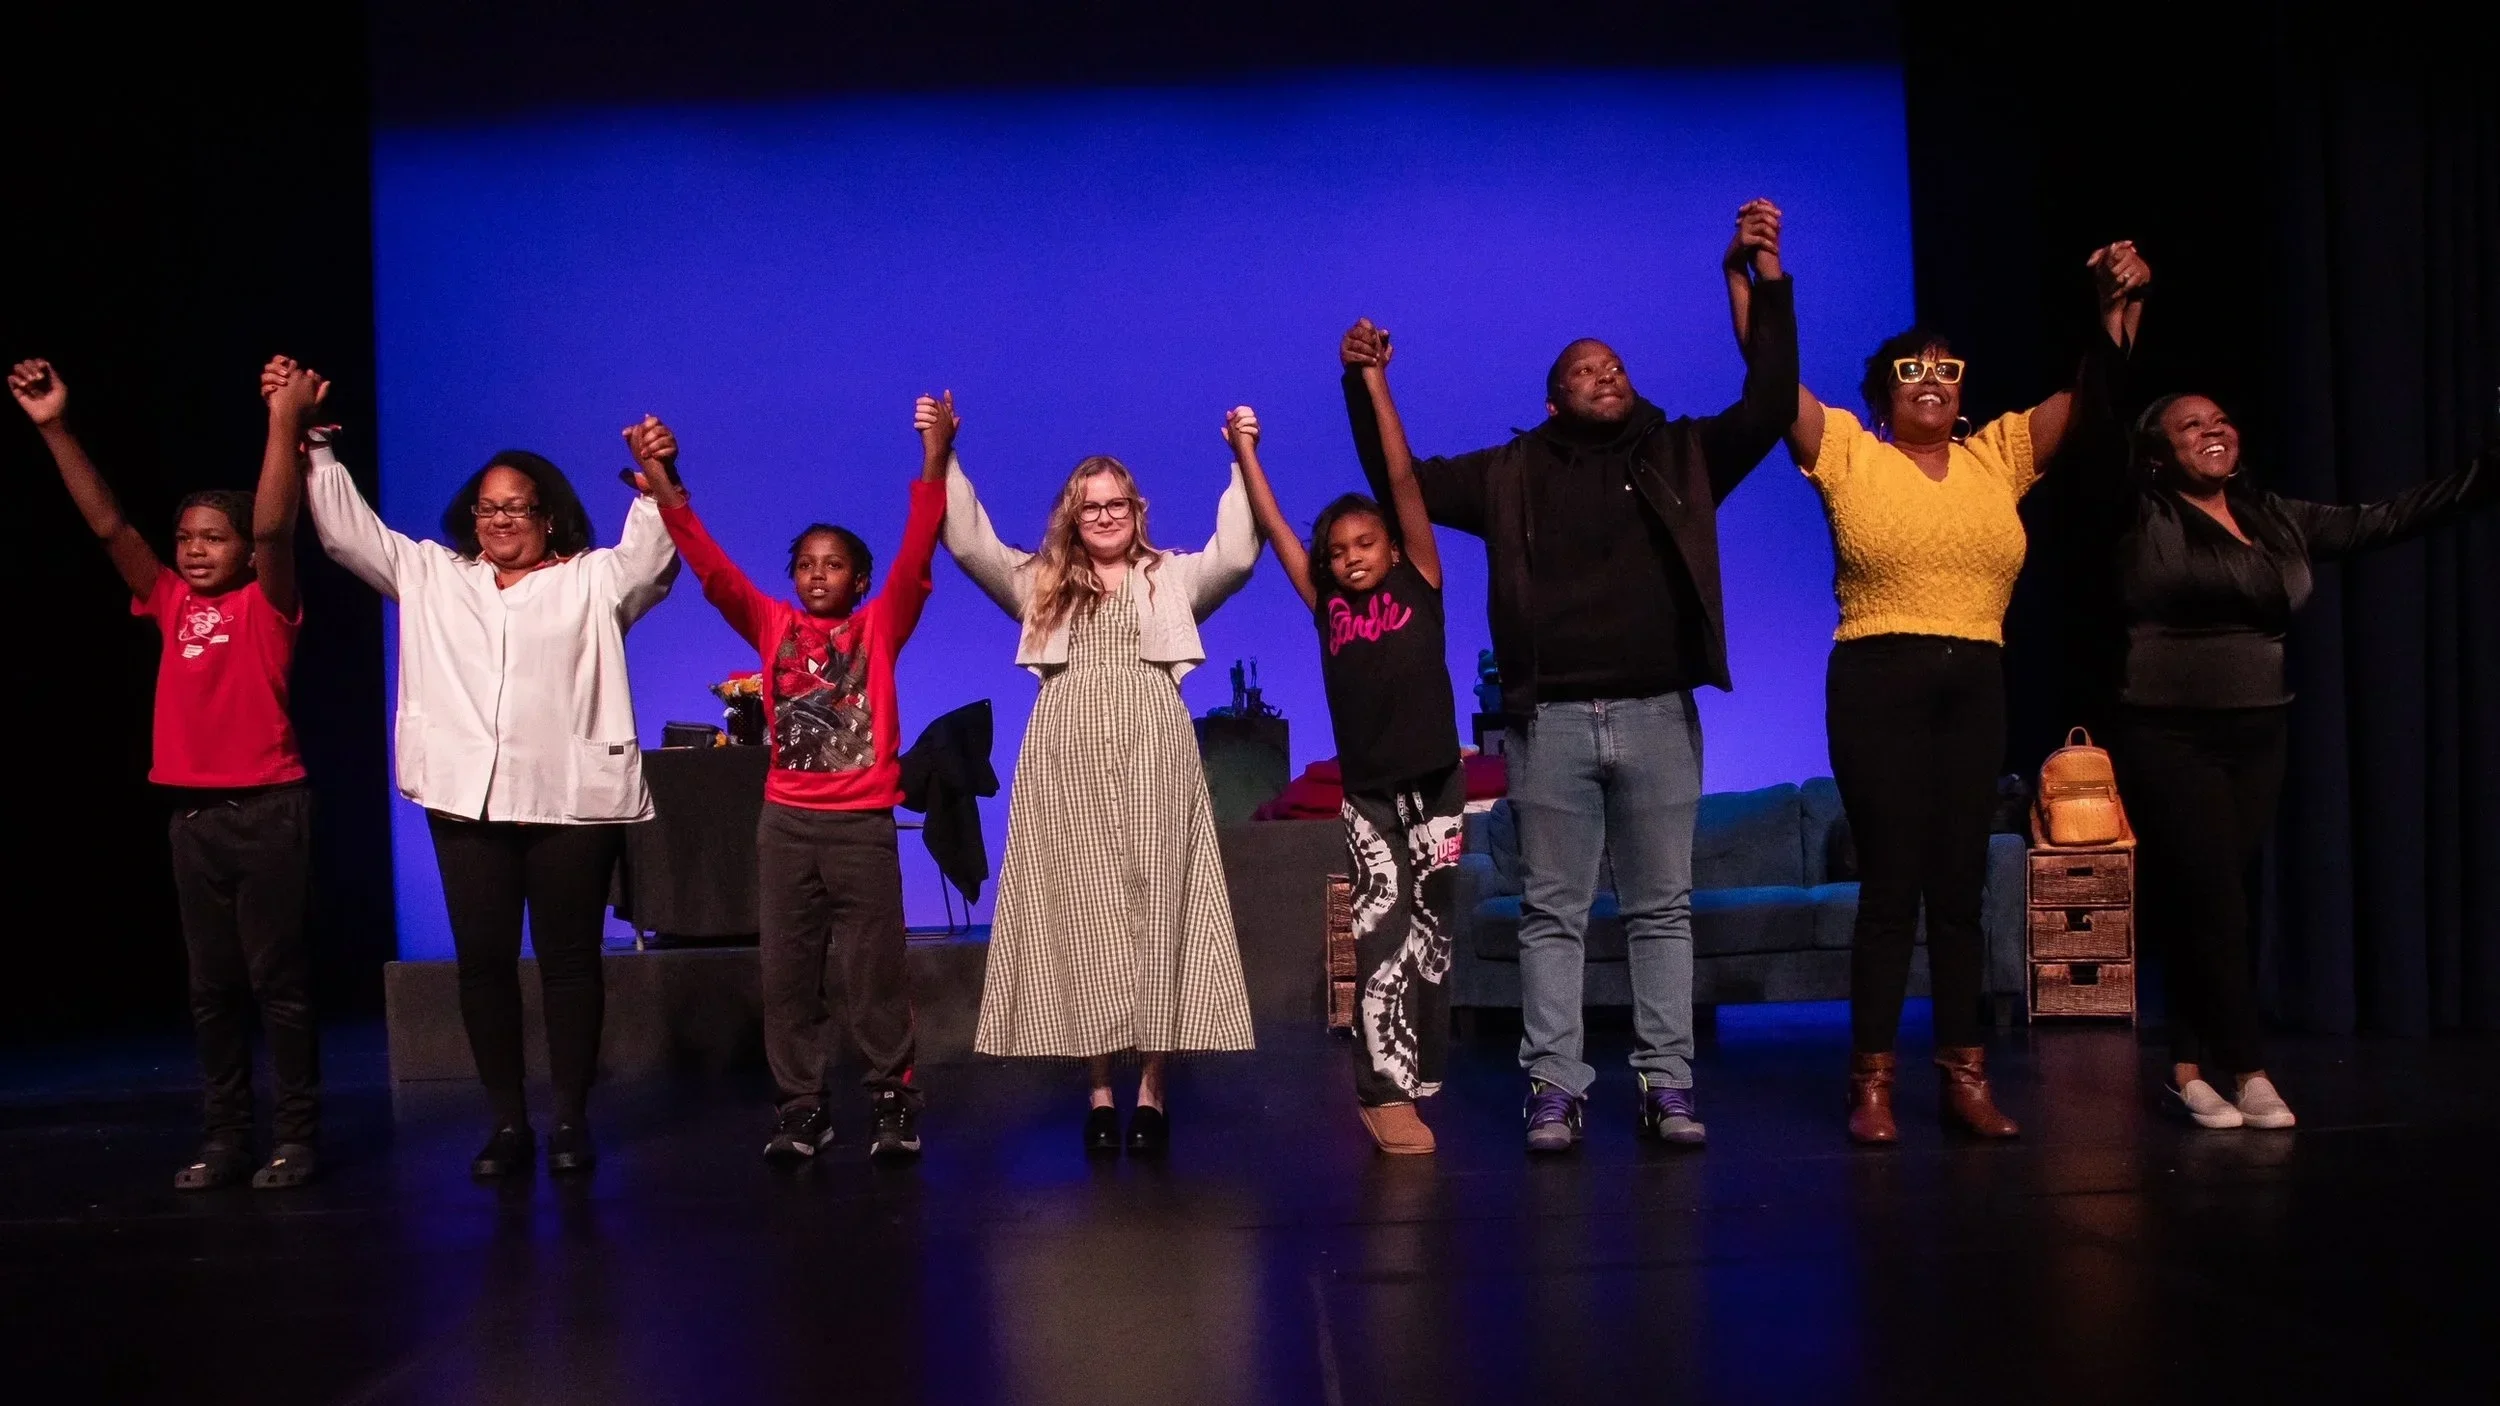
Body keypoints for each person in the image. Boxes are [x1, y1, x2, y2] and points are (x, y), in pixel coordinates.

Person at [1338, 202, 1799, 1154]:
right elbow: (1404, 488)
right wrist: (1368, 385)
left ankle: (1668, 1084)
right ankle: (1555, 1088)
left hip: (1656, 714)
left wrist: (1757, 280)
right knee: (1552, 913)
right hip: (1547, 720)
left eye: (1617, 365)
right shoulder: (1513, 471)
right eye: (1585, 369)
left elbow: (1770, 400)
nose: (1608, 374)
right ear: (1554, 398)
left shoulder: (1680, 454)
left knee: (1660, 910)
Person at [1728, 204, 2142, 1143]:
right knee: (1892, 888)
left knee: (1959, 889)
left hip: (1976, 677)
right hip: (1878, 676)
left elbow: (2092, 394)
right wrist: (1756, 275)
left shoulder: (1997, 456)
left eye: (1948, 371)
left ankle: (1965, 1075)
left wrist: (2112, 306)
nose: (1933, 383)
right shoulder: (1849, 453)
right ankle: (1870, 1082)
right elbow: (1771, 377)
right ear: (1884, 396)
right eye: (1912, 371)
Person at [2079, 259, 2497, 1131]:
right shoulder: (2141, 510)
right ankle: (2248, 1067)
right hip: (2167, 728)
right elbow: (2104, 420)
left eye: (2221, 420)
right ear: (2160, 452)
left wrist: (2483, 474)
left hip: (2259, 727)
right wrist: (2117, 318)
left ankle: (2188, 1065)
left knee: (2217, 893)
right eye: (2191, 425)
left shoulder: (2271, 516)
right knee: (2213, 897)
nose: (2213, 430)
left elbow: (2383, 518)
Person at [295, 373, 678, 1179]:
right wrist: (321, 448)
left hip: (571, 801)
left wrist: (658, 486)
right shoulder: (435, 576)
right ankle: (508, 1124)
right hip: (467, 798)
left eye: (518, 508)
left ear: (550, 518)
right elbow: (345, 535)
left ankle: (570, 1120)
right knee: (484, 962)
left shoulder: (591, 579)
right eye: (488, 508)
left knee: (570, 963)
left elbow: (652, 563)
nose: (501, 520)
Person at [12, 356, 325, 1191]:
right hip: (193, 817)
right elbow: (112, 528)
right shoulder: (169, 601)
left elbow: (272, 531)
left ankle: (297, 1136)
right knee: (211, 990)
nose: (193, 550)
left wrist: (280, 422)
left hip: (268, 809)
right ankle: (226, 1137)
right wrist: (55, 428)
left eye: (210, 538)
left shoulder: (269, 602)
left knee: (278, 985)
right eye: (186, 537)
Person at [627, 396, 950, 1164]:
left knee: (873, 971)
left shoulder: (880, 625)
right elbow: (712, 570)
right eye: (804, 564)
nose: (816, 576)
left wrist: (934, 454)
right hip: (786, 825)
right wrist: (664, 482)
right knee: (789, 973)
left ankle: (892, 1099)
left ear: (860, 579)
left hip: (861, 825)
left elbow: (917, 551)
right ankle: (802, 1107)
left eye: (833, 564)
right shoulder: (773, 627)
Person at [944, 422, 1260, 1156]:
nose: (1108, 516)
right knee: (1084, 914)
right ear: (1071, 517)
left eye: (1119, 503)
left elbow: (1239, 554)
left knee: (1158, 905)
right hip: (1067, 758)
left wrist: (1240, 458)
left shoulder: (1169, 578)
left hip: (1154, 748)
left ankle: (1152, 1089)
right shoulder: (1042, 583)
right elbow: (968, 545)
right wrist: (947, 456)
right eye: (1093, 507)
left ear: (1137, 509)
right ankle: (1097, 1089)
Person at [1230, 375, 1459, 1156]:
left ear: (1393, 546)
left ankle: (1421, 1078)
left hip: (1440, 790)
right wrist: (1246, 453)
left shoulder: (1420, 577)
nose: (1352, 558)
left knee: (1433, 932)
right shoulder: (1328, 605)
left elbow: (1401, 478)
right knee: (1377, 936)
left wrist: (1378, 384)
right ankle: (1381, 1093)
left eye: (1366, 545)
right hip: (1370, 797)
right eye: (1340, 551)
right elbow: (1278, 528)